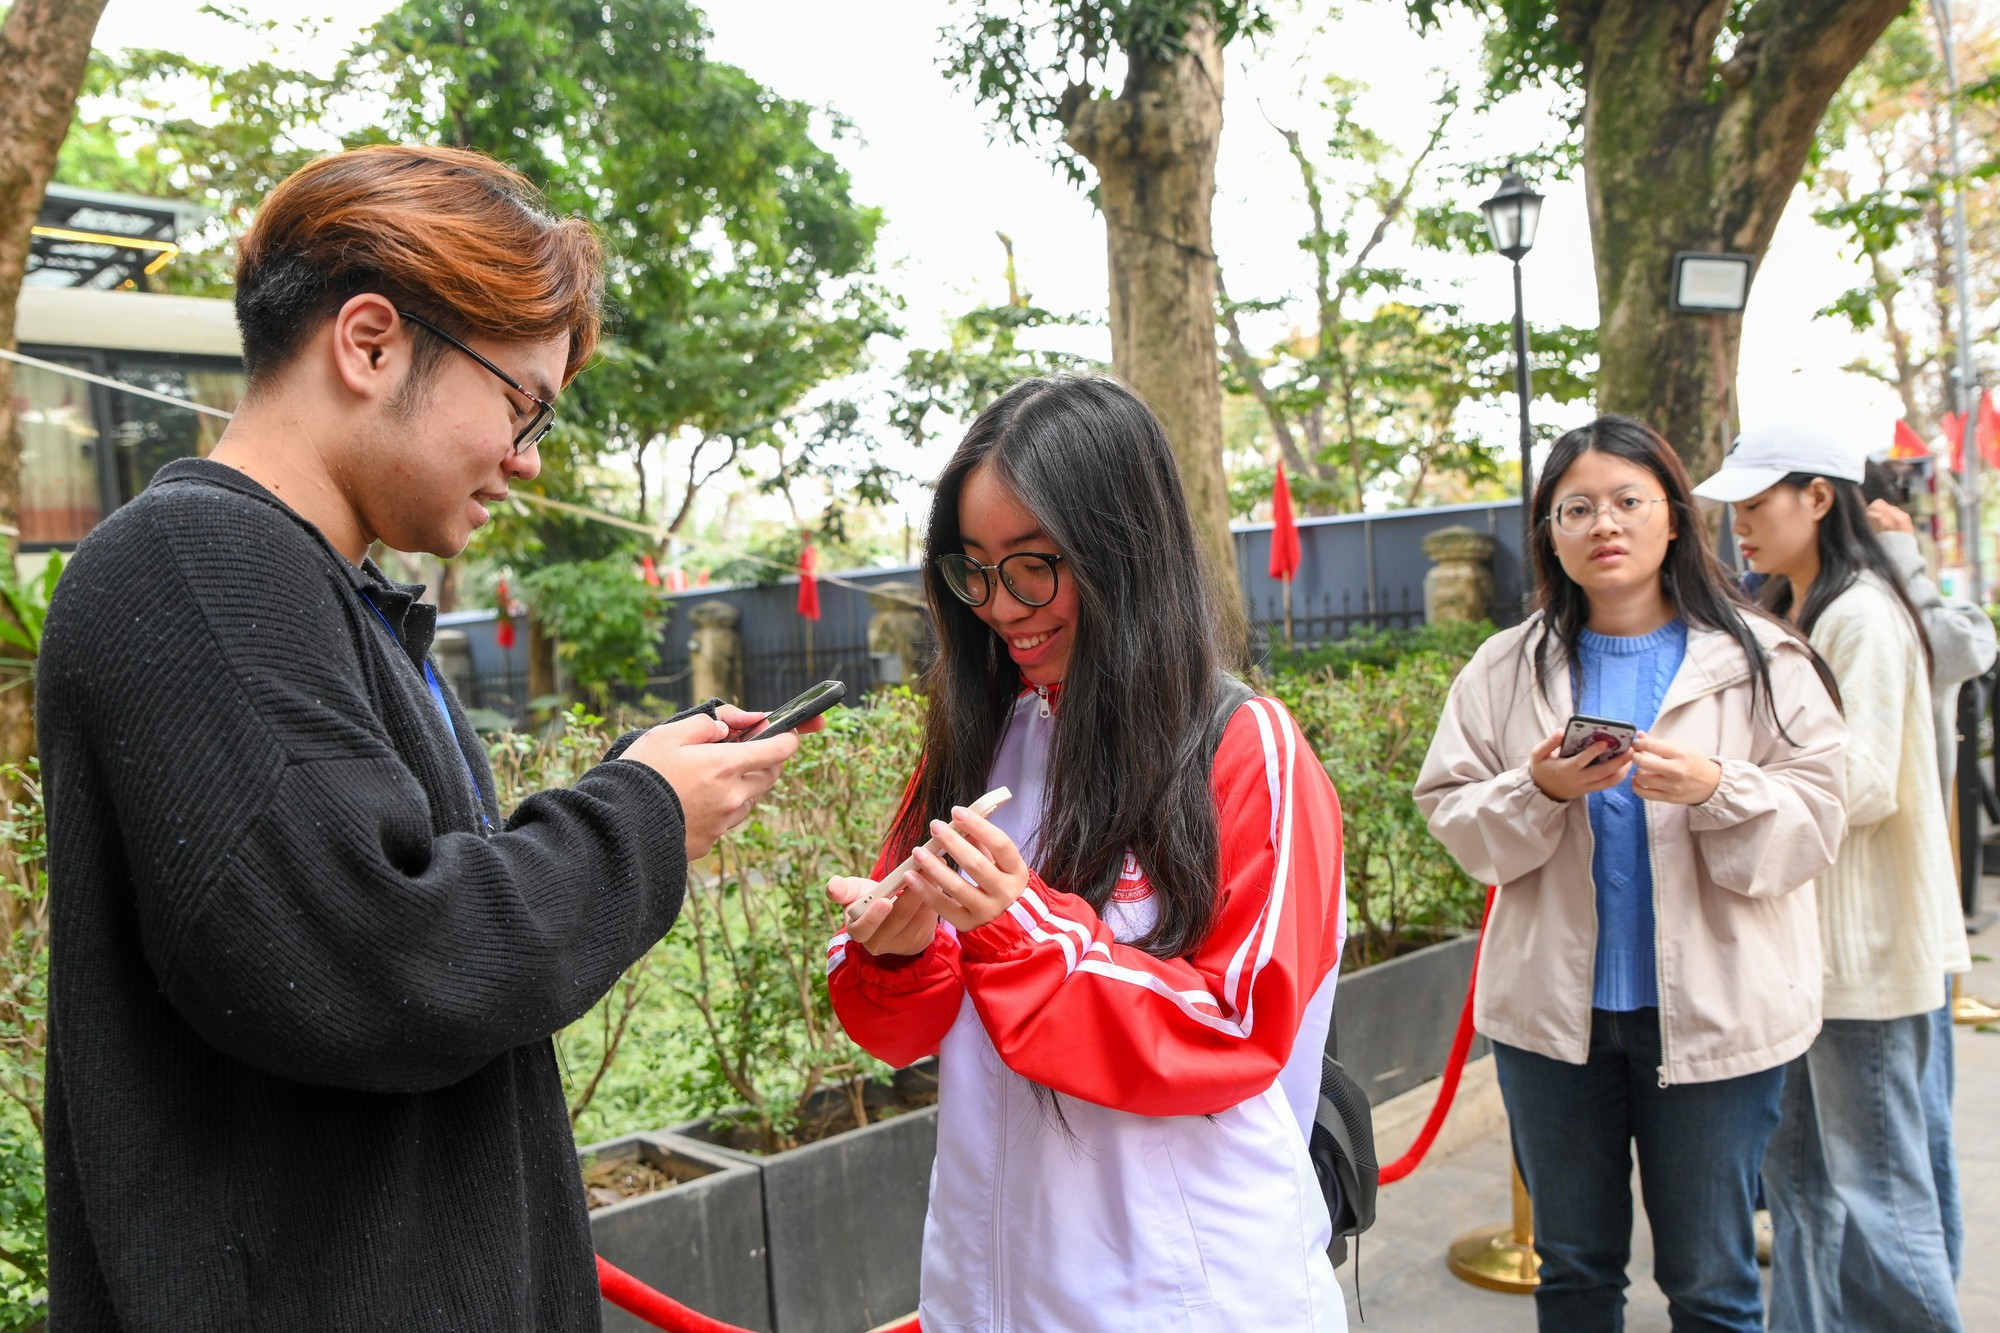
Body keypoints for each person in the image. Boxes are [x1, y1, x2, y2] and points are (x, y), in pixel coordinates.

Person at [37, 145, 806, 1330]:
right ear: (370, 342)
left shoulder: (318, 593)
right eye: (520, 402)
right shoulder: (193, 569)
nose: (529, 458)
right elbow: (381, 959)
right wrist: (640, 815)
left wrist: (636, 783)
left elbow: (394, 903)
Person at [824, 375, 1348, 1332]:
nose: (1001, 605)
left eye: (1035, 564)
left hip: (1189, 1289)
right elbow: (902, 1031)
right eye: (973, 570)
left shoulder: (1244, 749)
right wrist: (896, 949)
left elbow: (1235, 1031)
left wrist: (1018, 926)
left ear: (1124, 548)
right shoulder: (976, 742)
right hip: (987, 1281)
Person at [1415, 414, 1847, 1333]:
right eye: (1575, 508)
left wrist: (1717, 786)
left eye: (1626, 501)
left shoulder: (1765, 661)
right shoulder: (1502, 669)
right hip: (1553, 1027)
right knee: (1572, 1270)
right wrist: (1536, 786)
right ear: (1549, 534)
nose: (1602, 524)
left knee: (1711, 1282)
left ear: (1674, 519)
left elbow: (1820, 818)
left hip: (1716, 1017)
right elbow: (1451, 814)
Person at [1697, 419, 1969, 1333]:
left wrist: (1722, 785)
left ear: (1819, 498)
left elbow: (1860, 782)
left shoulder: (1859, 614)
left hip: (1867, 959)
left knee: (1876, 1196)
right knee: (1811, 1193)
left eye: (1756, 500)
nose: (1739, 521)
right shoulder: (1802, 609)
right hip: (1818, 956)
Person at [1861, 456, 1993, 1283]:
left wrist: (1905, 560)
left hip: (1901, 917)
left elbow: (1966, 645)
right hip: (1818, 922)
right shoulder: (1795, 593)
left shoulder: (1898, 609)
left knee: (1911, 1127)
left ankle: (1929, 1279)